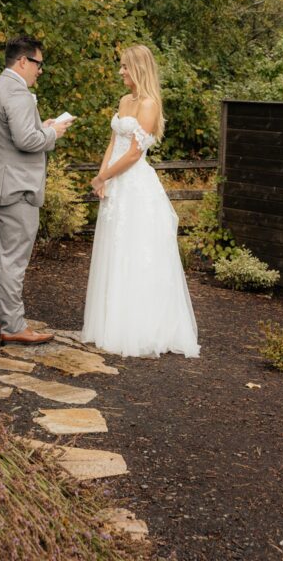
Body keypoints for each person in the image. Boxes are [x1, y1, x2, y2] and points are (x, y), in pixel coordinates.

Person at [81, 45, 200, 358]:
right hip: (115, 183)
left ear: (139, 69)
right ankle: (111, 325)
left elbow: (134, 153)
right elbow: (114, 141)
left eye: (124, 67)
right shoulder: (124, 101)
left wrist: (106, 176)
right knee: (114, 250)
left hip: (134, 185)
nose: (120, 72)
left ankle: (140, 329)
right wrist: (102, 176)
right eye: (120, 67)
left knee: (137, 252)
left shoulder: (149, 104)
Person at [0, 35, 72, 345]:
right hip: (17, 188)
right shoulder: (16, 92)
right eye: (38, 64)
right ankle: (14, 326)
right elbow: (26, 141)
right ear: (22, 61)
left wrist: (39, 127)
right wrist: (52, 132)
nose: (39, 71)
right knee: (14, 259)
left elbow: (16, 134)